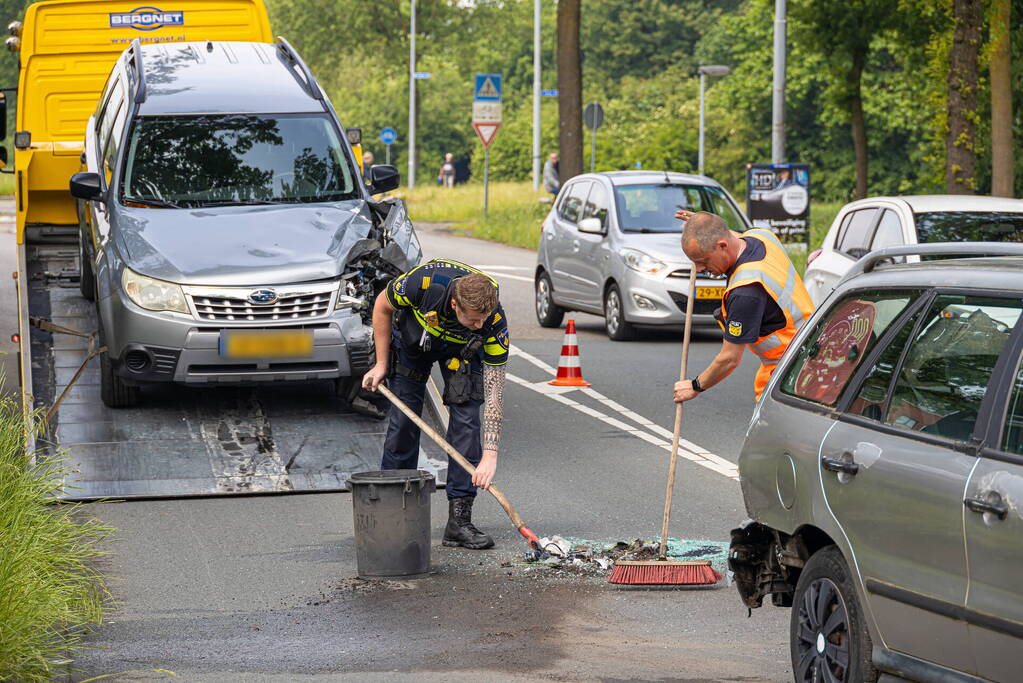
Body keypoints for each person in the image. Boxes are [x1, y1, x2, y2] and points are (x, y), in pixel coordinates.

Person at [362, 259, 509, 549]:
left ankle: (459, 521)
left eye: (485, 318)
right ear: (455, 305)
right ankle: (393, 514)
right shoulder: (422, 284)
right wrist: (380, 364)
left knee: (467, 423)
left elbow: (495, 390)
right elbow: (382, 305)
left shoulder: (493, 322)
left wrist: (490, 455)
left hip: (462, 352)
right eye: (474, 320)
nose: (481, 325)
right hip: (414, 343)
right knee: (404, 421)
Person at [671, 211, 814, 403]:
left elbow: (729, 358)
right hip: (814, 350)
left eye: (702, 261)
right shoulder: (763, 236)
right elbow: (725, 233)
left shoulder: (745, 292)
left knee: (773, 432)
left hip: (789, 374)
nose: (699, 269)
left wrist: (695, 386)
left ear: (722, 246)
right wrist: (701, 224)